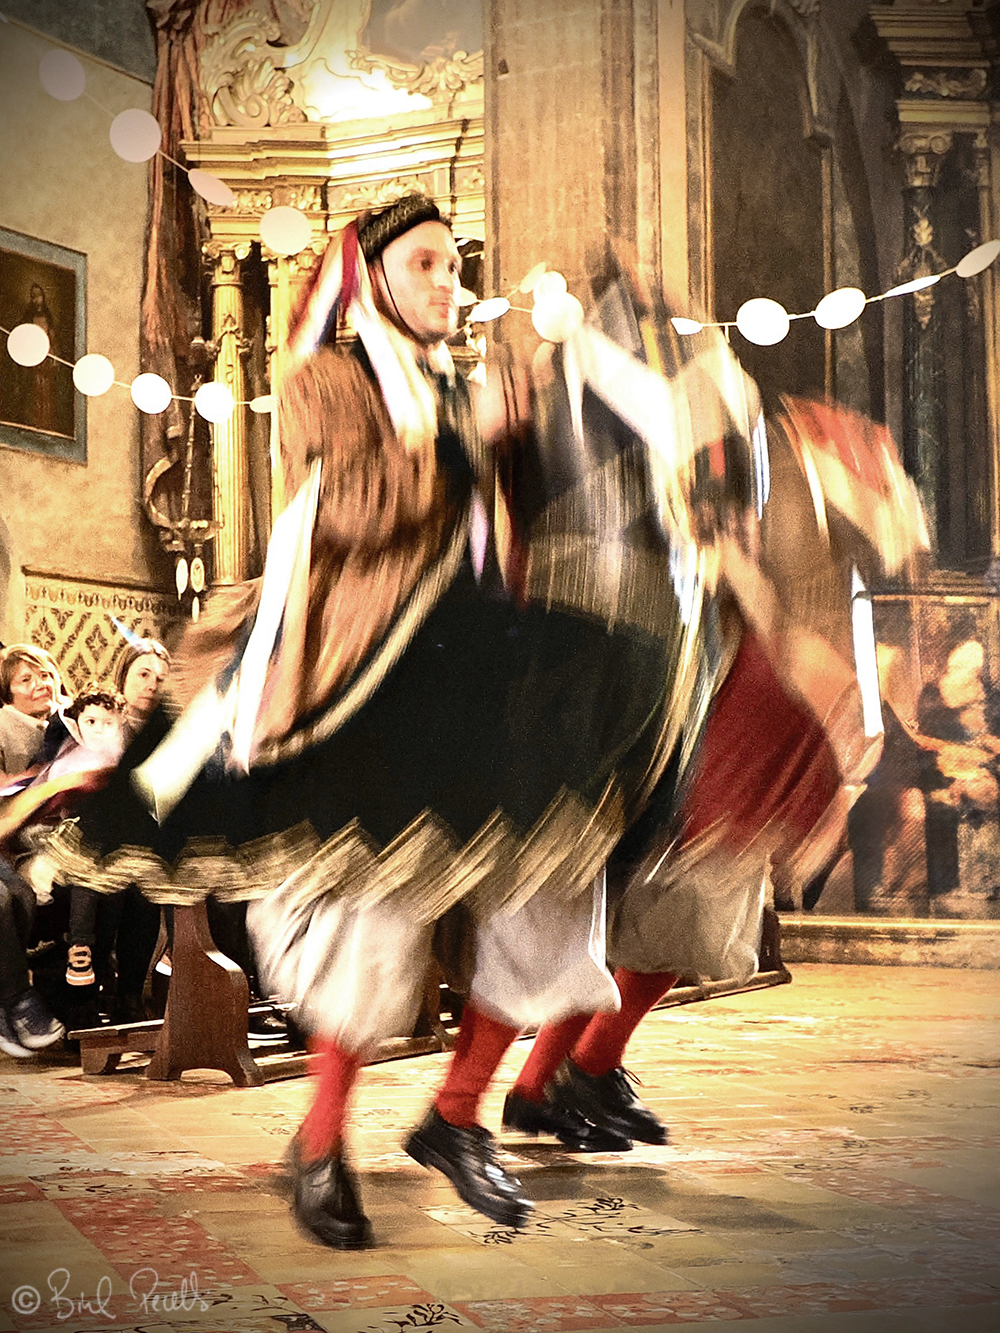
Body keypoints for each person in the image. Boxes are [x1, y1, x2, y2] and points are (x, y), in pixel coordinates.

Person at [44, 197, 753, 1248]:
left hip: (479, 667)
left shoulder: (473, 383)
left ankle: (456, 1113)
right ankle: (321, 1142)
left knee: (548, 887)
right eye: (424, 264)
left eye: (455, 265)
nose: (447, 283)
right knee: (368, 920)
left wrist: (610, 395)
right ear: (372, 278)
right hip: (364, 669)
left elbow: (540, 490)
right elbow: (353, 510)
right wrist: (461, 438)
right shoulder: (324, 381)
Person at [0, 644, 63, 778]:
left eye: (44, 675)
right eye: (26, 680)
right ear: (7, 691)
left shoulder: (71, 718)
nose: (41, 685)